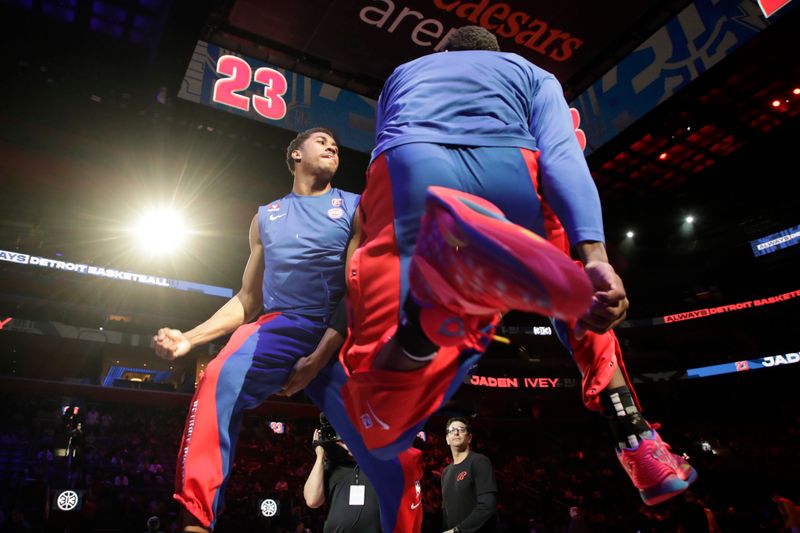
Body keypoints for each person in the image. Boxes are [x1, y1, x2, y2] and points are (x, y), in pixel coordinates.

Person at [337, 25, 696, 505]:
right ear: (498, 54)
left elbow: (383, 148)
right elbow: (563, 159)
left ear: (442, 50)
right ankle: (637, 441)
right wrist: (594, 257)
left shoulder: (403, 73)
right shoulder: (532, 74)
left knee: (379, 317)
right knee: (576, 295)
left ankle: (411, 345)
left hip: (407, 169)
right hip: (507, 167)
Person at [153, 128, 422, 533]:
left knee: (397, 457)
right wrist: (190, 338)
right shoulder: (266, 217)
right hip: (281, 325)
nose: (333, 145)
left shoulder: (355, 208)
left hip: (340, 336)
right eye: (321, 141)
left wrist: (316, 361)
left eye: (335, 143)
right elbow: (247, 299)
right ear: (295, 154)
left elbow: (358, 293)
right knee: (216, 379)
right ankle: (195, 521)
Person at [302, 420, 379, 532]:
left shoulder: (378, 464)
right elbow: (312, 501)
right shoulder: (332, 466)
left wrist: (357, 450)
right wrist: (320, 457)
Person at [440, 418, 500, 533]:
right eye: (452, 430)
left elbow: (487, 505)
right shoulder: (445, 472)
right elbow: (446, 512)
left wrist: (458, 531)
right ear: (447, 439)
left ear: (469, 438)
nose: (456, 432)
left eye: (461, 430)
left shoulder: (479, 462)